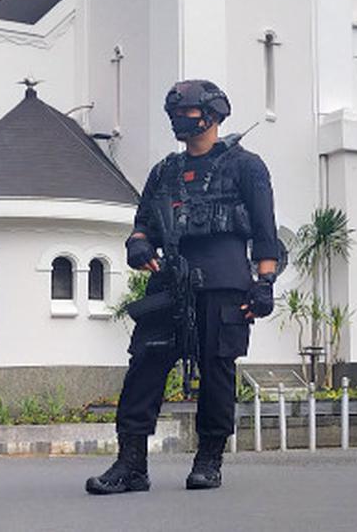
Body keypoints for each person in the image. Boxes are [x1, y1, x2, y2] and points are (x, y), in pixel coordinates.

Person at [87, 79, 281, 495]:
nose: (178, 119)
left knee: (217, 371)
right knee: (143, 368)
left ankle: (209, 460)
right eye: (173, 113)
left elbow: (266, 234)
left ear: (211, 115)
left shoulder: (246, 166)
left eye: (186, 112)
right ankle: (131, 464)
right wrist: (138, 246)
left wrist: (264, 283)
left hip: (224, 283)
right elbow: (142, 226)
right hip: (168, 281)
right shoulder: (164, 171)